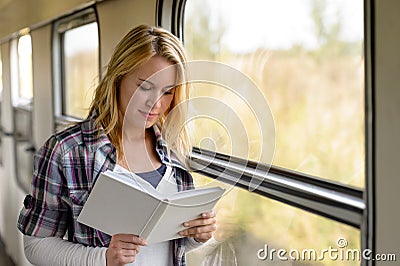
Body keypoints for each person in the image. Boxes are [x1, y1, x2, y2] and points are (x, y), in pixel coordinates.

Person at [17, 24, 217, 266]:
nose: (155, 103)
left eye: (167, 92)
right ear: (118, 79)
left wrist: (196, 236)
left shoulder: (173, 148)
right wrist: (103, 258)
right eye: (145, 86)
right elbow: (35, 245)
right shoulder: (65, 152)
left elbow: (167, 246)